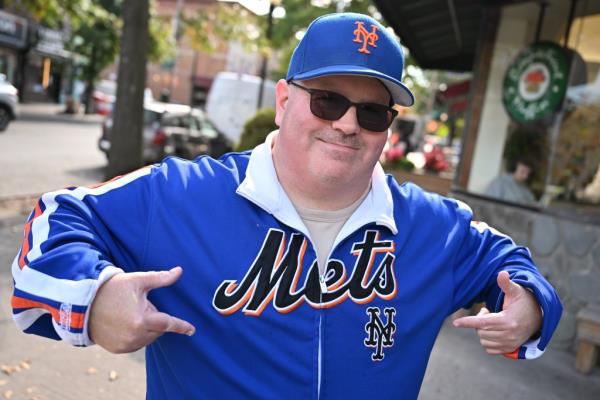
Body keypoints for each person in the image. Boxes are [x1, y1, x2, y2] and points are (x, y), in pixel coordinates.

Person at [11, 13, 561, 399]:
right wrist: (94, 296)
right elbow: (55, 219)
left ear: (387, 130)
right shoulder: (181, 195)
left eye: (372, 113)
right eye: (328, 100)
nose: (347, 123)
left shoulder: (431, 227)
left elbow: (508, 265)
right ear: (283, 101)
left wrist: (528, 307)